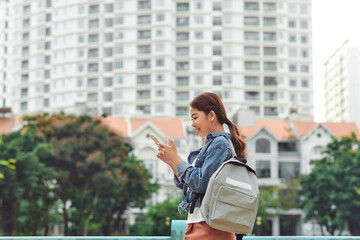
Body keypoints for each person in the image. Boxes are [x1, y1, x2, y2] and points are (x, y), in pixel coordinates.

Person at [156, 92, 247, 240]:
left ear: (211, 115)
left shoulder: (220, 144)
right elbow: (188, 185)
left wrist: (176, 159)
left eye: (195, 117)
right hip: (199, 223)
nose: (192, 124)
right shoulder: (207, 148)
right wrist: (172, 162)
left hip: (210, 227)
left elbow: (200, 183)